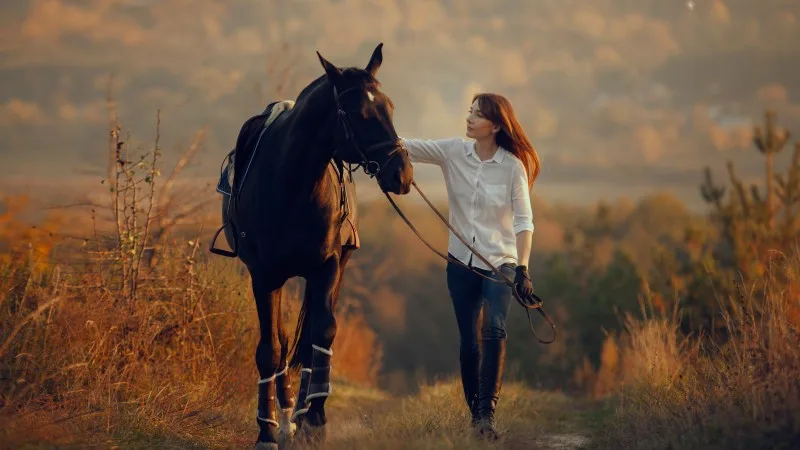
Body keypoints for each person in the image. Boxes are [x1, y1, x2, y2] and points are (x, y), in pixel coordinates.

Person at [400, 93, 539, 440]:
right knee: (468, 342)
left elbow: (524, 221)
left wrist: (523, 268)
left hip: (501, 263)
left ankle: (487, 414)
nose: (469, 118)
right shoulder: (452, 152)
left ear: (496, 126)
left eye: (477, 115)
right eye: (470, 112)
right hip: (460, 262)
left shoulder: (513, 167)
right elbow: (405, 146)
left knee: (494, 329)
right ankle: (475, 415)